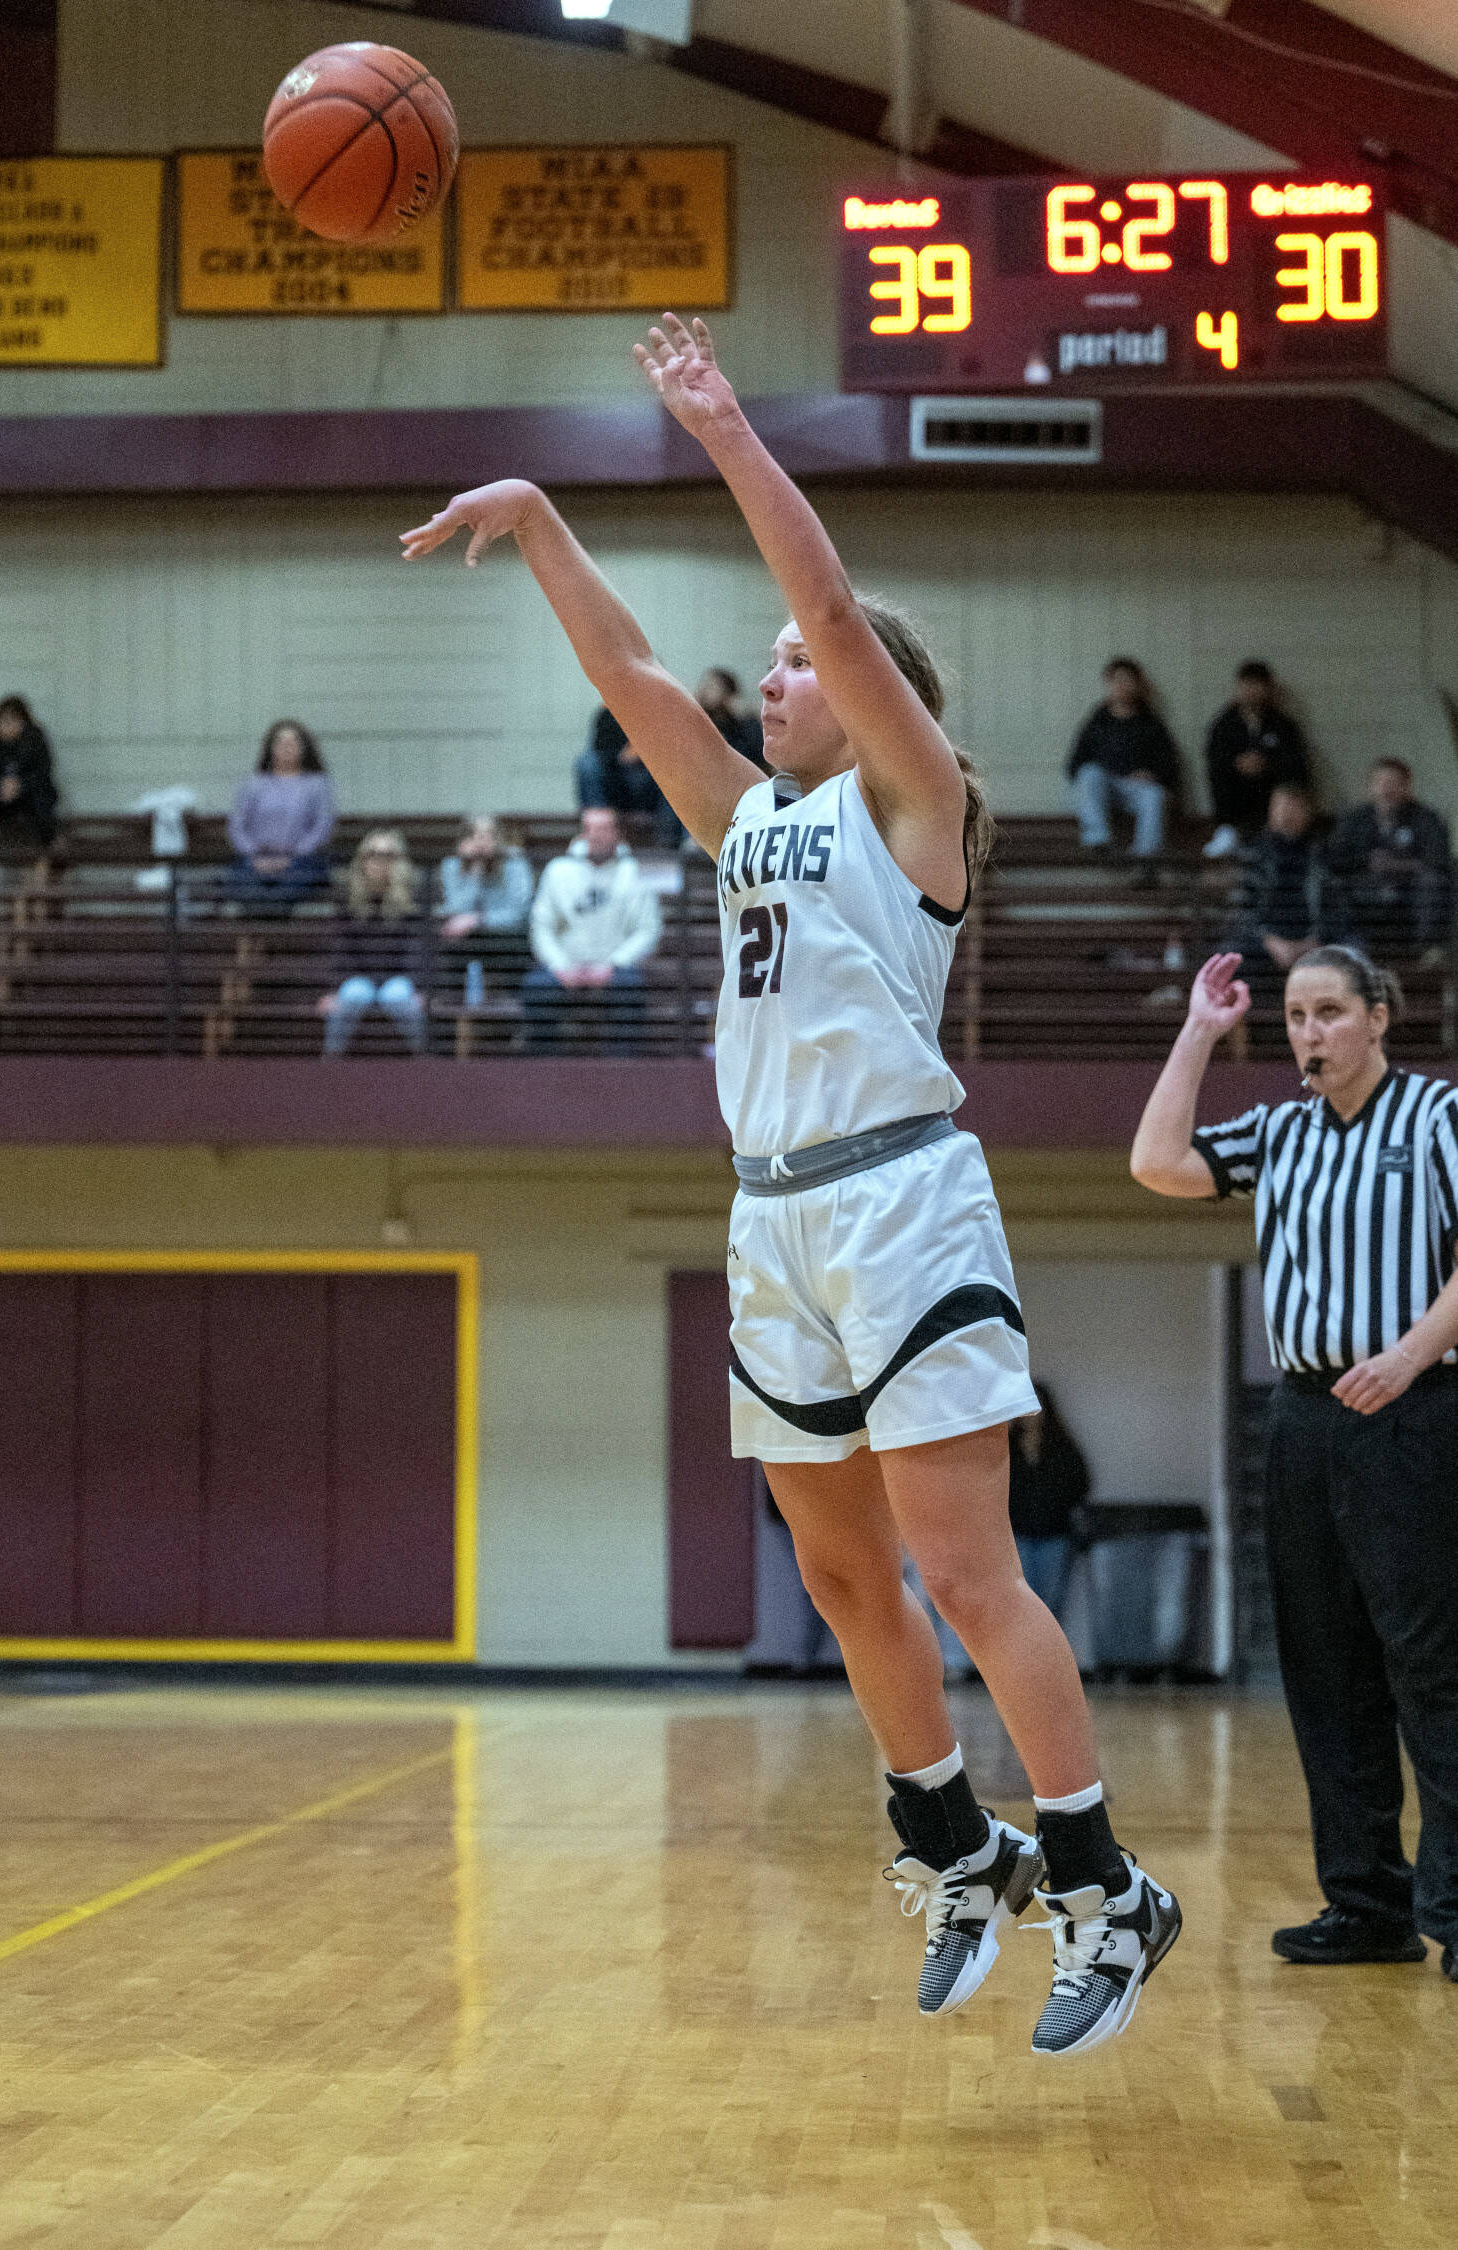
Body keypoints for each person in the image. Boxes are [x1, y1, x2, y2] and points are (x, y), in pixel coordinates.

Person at [401, 310, 1180, 2057]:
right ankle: (949, 1842)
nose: (773, 676)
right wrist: (537, 518)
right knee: (843, 1582)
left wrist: (727, 432)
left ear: (878, 692)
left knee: (969, 1574)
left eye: (798, 667)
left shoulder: (922, 806)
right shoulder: (750, 820)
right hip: (775, 1219)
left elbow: (831, 611)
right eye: (763, 668)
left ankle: (1107, 1885)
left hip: (905, 1198)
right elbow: (631, 682)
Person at [1130, 944, 1458, 1987]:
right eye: (1294, 1017)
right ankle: (1368, 1906)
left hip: (1417, 1409)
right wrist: (1198, 1031)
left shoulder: (1438, 1117)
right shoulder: (1278, 1133)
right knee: (1325, 1666)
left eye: (1328, 1012)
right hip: (1305, 1420)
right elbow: (1156, 1163)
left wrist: (1411, 1354)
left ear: (1379, 1018)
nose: (1308, 1033)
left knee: (1430, 1664)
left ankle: (1454, 1907)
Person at [522, 806, 660, 1052]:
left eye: (603, 828)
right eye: (590, 829)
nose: (595, 835)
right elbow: (542, 926)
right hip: (565, 967)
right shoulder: (558, 870)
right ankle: (545, 1071)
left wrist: (613, 965)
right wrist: (560, 965)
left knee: (630, 988)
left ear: (617, 833)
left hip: (615, 968)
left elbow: (648, 929)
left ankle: (622, 1073)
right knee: (536, 987)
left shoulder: (635, 871)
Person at [1325, 758, 1453, 961]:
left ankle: (1430, 950)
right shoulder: (1354, 820)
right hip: (1366, 890)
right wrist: (1367, 861)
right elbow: (1335, 858)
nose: (1386, 790)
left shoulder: (1427, 818)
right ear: (1370, 787)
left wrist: (1398, 865)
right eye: (1380, 783)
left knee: (1435, 881)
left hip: (1410, 891)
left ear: (1406, 787)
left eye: (1393, 783)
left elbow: (1439, 860)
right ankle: (1350, 950)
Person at [1066, 658, 1181, 875]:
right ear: (1108, 684)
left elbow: (1170, 766)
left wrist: (1152, 775)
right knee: (1090, 773)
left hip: (1136, 790)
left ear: (1137, 685)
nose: (1122, 686)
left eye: (1128, 681)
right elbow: (1075, 765)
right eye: (1117, 681)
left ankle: (1145, 860)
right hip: (1105, 788)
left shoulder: (1152, 724)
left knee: (1154, 795)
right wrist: (1105, 772)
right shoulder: (1096, 722)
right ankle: (1098, 840)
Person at [319, 828, 426, 1056]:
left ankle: (423, 1059)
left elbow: (419, 950)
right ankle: (331, 1061)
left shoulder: (413, 900)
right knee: (352, 994)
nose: (380, 862)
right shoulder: (348, 899)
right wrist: (332, 991)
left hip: (399, 980)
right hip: (358, 979)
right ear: (363, 860)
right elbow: (339, 949)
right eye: (373, 854)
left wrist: (420, 989)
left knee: (398, 996)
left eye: (388, 855)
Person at [1230, 783, 1342, 995]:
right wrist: (1271, 942)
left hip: (1315, 938)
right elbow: (1243, 909)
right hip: (1265, 939)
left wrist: (1313, 942)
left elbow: (1337, 906)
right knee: (1230, 958)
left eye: (1293, 808)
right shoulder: (1252, 853)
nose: (1285, 814)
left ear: (1307, 813)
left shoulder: (1324, 854)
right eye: (1280, 807)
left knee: (1355, 955)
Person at [1202, 662, 1312, 859]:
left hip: (1269, 789)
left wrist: (1266, 763)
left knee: (1290, 786)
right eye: (1246, 685)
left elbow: (1296, 762)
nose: (1252, 691)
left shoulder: (1283, 725)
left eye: (1257, 685)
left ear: (1267, 688)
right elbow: (1215, 759)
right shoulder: (1223, 725)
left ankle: (1276, 832)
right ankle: (1228, 832)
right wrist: (1237, 763)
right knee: (1219, 774)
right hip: (1235, 793)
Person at [227, 719, 335, 908]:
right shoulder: (254, 784)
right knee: (245, 887)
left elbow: (322, 826)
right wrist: (255, 855)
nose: (286, 747)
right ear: (270, 747)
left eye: (293, 742)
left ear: (304, 748)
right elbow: (237, 825)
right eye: (280, 742)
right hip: (255, 861)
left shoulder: (317, 785)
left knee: (285, 892)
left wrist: (292, 857)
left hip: (301, 861)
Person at [1009, 1385, 1091, 1618]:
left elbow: (1080, 1484)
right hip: (1018, 1534)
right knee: (1023, 1602)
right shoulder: (1009, 1448)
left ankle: (1047, 1652)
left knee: (1051, 1603)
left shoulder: (1061, 1447)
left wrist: (1054, 1503)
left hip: (1054, 1534)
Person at [575, 703, 682, 847]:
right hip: (613, 774)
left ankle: (668, 842)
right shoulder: (608, 708)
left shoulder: (654, 705)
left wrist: (640, 751)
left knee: (672, 771)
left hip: (646, 778)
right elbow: (600, 743)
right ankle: (597, 829)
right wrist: (620, 753)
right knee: (587, 764)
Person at [0, 695, 58, 863]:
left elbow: (42, 771)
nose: (8, 726)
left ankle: (52, 858)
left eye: (13, 721)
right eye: (3, 721)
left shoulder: (35, 738)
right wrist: (2, 785)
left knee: (42, 809)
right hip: (1, 795)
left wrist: (20, 785)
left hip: (32, 793)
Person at [437, 816, 534, 938]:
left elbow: (519, 914)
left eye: (488, 835)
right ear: (463, 841)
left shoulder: (515, 864)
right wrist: (474, 870)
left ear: (499, 840)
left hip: (505, 939)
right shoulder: (452, 865)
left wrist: (477, 920)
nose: (481, 842)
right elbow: (454, 910)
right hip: (463, 940)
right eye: (473, 835)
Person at [696, 666, 766, 768]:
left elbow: (757, 757)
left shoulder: (747, 724)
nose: (703, 691)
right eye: (704, 686)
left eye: (711, 686)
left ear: (728, 694)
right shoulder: (701, 724)